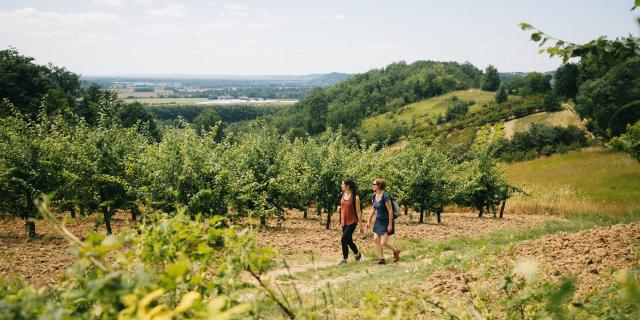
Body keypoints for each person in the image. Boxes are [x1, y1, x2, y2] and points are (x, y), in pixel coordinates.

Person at [366, 178, 400, 264]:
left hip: (387, 220)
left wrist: (390, 225)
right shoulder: (374, 195)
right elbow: (373, 208)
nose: (372, 186)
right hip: (379, 220)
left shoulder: (386, 196)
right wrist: (368, 220)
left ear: (379, 186)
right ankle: (381, 259)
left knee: (383, 242)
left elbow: (390, 211)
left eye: (374, 184)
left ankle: (396, 251)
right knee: (376, 239)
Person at [338, 178, 364, 265]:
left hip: (352, 221)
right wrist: (339, 208)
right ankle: (357, 254)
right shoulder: (342, 194)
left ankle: (344, 259)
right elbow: (343, 206)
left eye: (342, 184)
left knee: (343, 239)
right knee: (349, 240)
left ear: (347, 185)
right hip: (344, 221)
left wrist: (361, 225)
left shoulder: (355, 197)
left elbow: (358, 211)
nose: (341, 186)